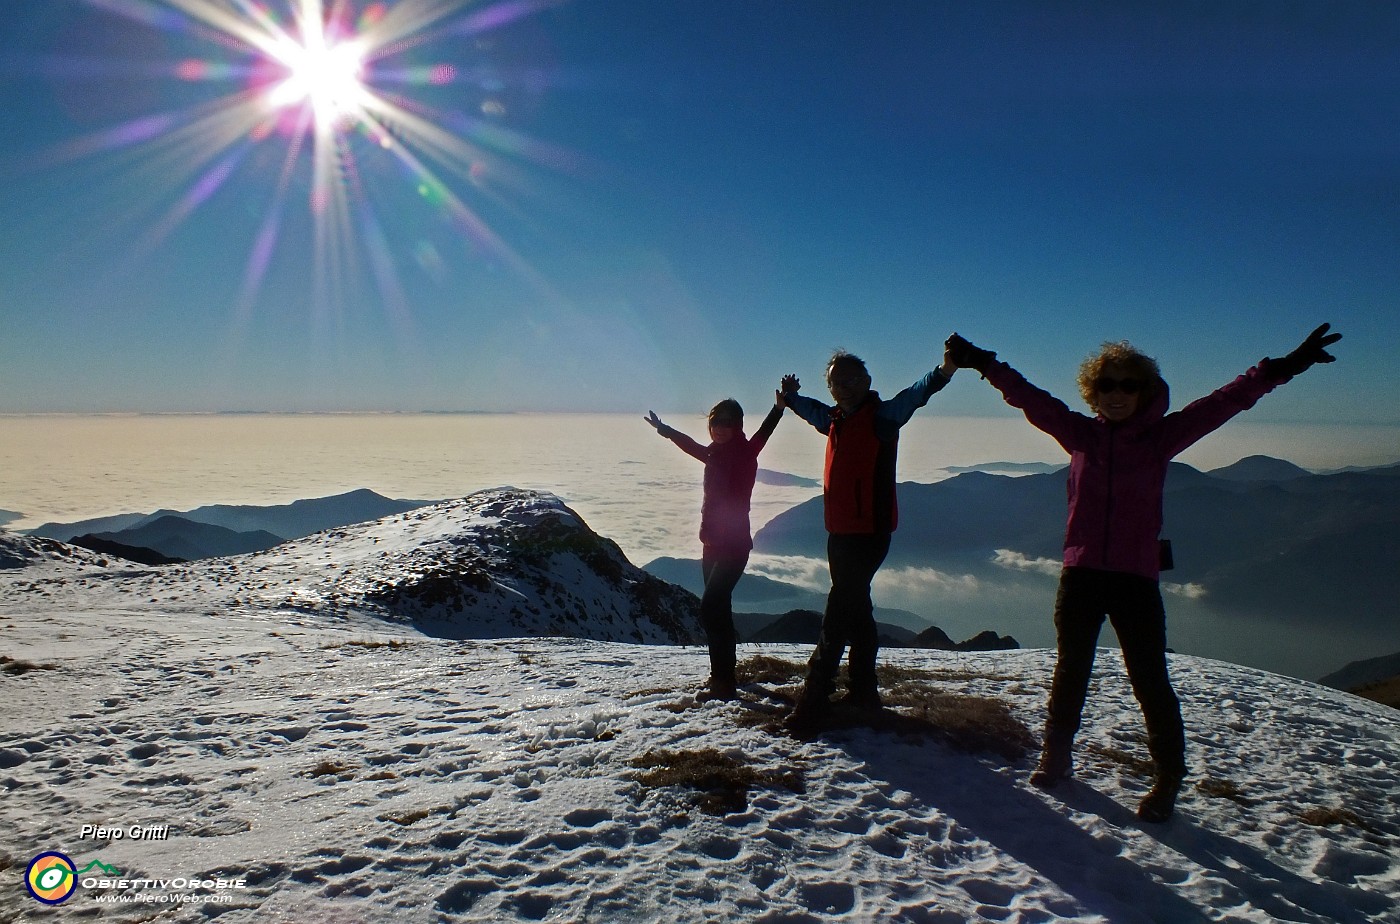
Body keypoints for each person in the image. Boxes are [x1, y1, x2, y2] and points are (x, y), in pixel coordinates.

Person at [945, 324, 1342, 822]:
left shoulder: (1162, 438)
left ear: (1145, 391)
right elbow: (1030, 397)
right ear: (1094, 391)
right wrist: (984, 362)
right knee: (1071, 671)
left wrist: (1285, 366)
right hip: (1082, 574)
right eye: (1106, 385)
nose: (1116, 395)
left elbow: (1227, 400)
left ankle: (1168, 777)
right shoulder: (1080, 433)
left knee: (1149, 680)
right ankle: (1056, 754)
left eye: (1127, 385)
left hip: (1135, 579)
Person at [779, 345, 959, 732]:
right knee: (858, 613)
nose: (843, 387)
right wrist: (791, 398)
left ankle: (813, 700)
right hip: (839, 531)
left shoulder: (883, 417)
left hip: (870, 533)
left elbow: (916, 395)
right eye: (836, 382)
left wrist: (944, 370)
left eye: (851, 379)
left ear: (867, 382)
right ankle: (863, 693)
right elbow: (811, 411)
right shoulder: (834, 419)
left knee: (838, 611)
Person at [645, 379, 794, 700]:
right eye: (716, 422)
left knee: (711, 605)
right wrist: (665, 430)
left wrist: (779, 409)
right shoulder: (713, 454)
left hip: (735, 545)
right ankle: (721, 678)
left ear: (738, 425)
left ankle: (724, 678)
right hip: (710, 544)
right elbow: (690, 446)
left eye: (729, 422)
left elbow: (763, 434)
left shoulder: (745, 452)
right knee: (718, 610)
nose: (721, 428)